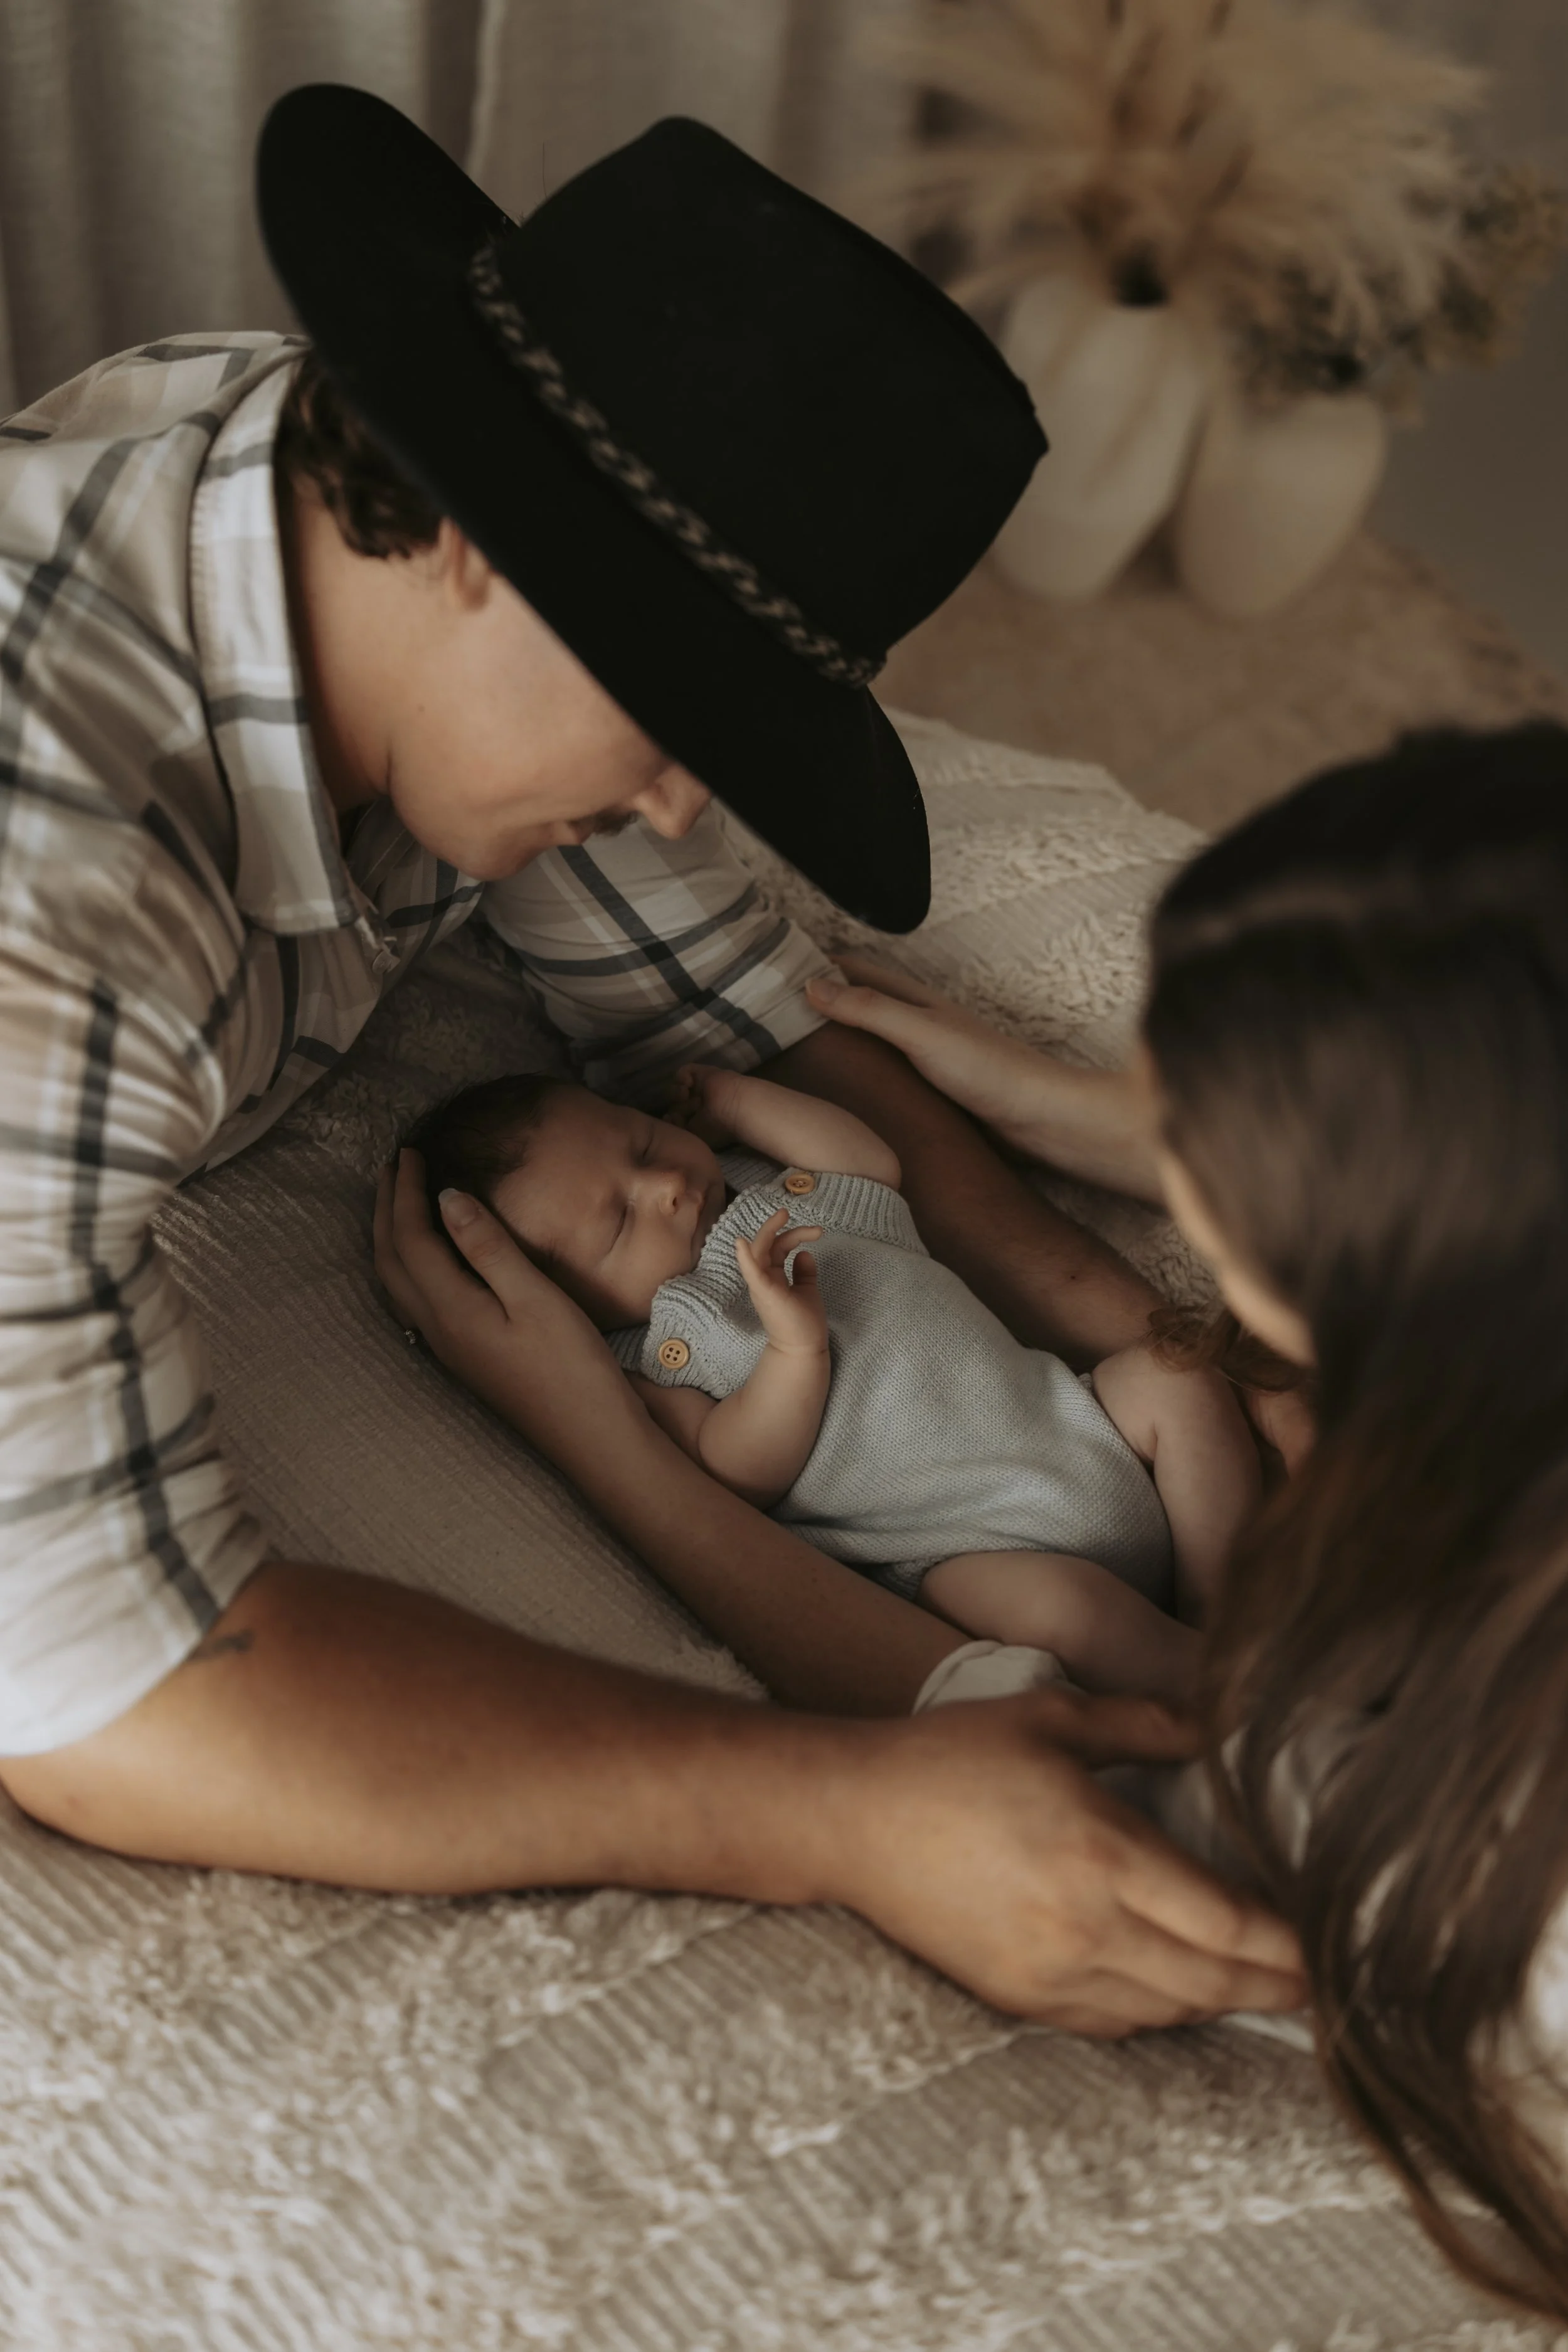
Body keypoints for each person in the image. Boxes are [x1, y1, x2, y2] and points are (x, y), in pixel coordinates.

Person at [0, 84, 1305, 2036]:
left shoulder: (346, 520)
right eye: (675, 705)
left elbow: (748, 1032)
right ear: (461, 538)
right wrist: (849, 1811)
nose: (691, 792)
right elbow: (112, 1694)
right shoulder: (52, 920)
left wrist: (1182, 1340)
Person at [743, 721, 1568, 2318]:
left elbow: (1015, 1755)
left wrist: (602, 1443)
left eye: (1201, 1159)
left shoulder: (1422, 1785)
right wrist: (1092, 1112)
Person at [408, 1061, 1261, 1703]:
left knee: (1173, 1378)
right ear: (565, 1303)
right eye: (619, 1220)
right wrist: (793, 1352)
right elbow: (731, 1465)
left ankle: (1220, 1603)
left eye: (642, 1142)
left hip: (1074, 1417)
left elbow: (868, 1161)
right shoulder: (655, 1351)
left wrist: (733, 1099)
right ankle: (1210, 1685)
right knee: (1066, 1617)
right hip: (970, 1544)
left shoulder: (767, 1188)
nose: (667, 1187)